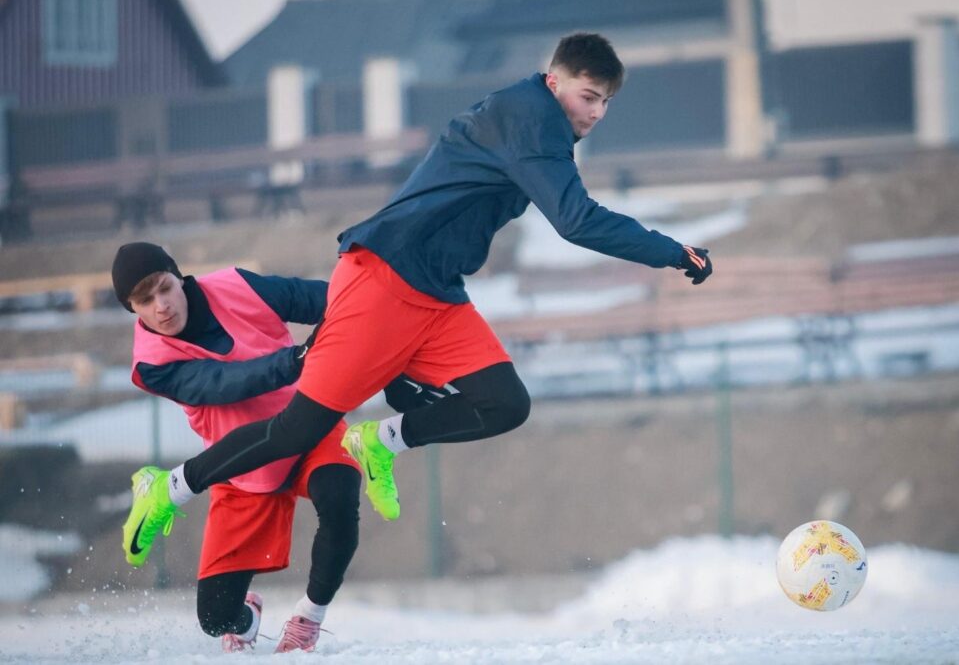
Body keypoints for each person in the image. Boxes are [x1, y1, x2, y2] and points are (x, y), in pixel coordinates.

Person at [121, 32, 713, 571]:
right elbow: (578, 221)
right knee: (295, 430)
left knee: (503, 403)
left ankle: (380, 440)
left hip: (435, 293)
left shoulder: (532, 116)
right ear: (554, 81)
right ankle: (168, 487)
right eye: (589, 97)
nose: (596, 113)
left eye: (606, 103)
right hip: (384, 279)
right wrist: (672, 251)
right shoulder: (534, 120)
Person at [112, 242, 449, 653]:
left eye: (164, 288)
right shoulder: (151, 363)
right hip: (243, 467)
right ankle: (248, 618)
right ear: (133, 308)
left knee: (341, 502)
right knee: (215, 619)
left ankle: (307, 619)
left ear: (179, 277)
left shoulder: (237, 285)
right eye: (144, 300)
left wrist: (394, 349)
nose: (160, 305)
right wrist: (296, 359)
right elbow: (222, 383)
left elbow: (327, 300)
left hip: (310, 427)